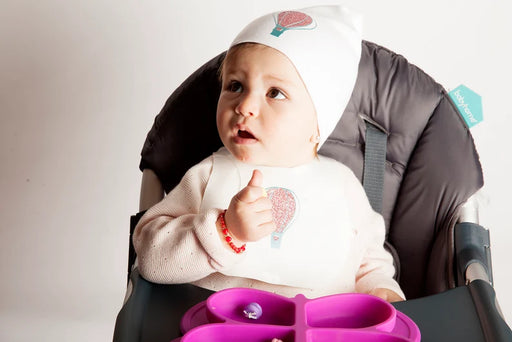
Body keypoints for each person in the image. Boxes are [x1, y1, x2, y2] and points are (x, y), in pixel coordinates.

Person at [133, 5, 405, 302]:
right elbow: (150, 258)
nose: (244, 105)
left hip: (324, 328)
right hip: (223, 326)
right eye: (235, 86)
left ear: (319, 122)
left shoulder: (342, 185)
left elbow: (369, 263)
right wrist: (225, 232)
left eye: (274, 92)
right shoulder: (207, 175)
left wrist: (383, 290)